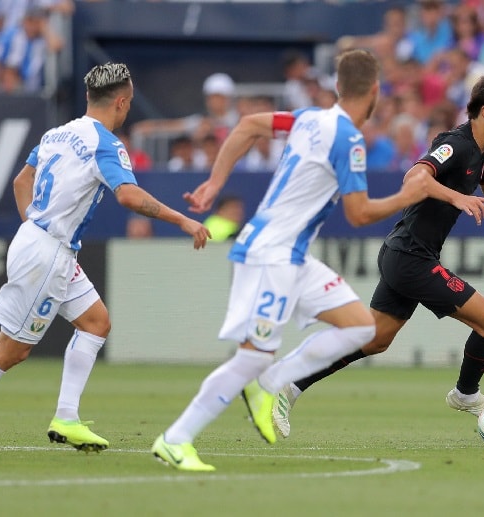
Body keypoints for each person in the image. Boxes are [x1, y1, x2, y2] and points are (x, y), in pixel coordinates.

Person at [150, 49, 430, 472]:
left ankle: (271, 383)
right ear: (374, 92)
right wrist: (408, 196)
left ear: (337, 87)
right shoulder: (348, 139)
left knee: (360, 326)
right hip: (271, 254)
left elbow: (247, 126)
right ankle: (176, 438)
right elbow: (358, 214)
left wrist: (214, 182)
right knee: (252, 356)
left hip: (292, 256)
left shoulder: (309, 118)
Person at [271, 72, 484, 440]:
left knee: (374, 340)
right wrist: (458, 197)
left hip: (404, 255)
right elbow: (414, 178)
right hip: (411, 258)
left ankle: (289, 384)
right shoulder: (456, 144)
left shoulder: (480, 153)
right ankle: (465, 395)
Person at [0, 62, 210, 453]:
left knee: (96, 322)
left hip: (46, 244)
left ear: (88, 97)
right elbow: (129, 196)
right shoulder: (107, 144)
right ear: (121, 102)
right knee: (11, 351)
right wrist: (182, 220)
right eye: (129, 105)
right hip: (47, 251)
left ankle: (66, 417)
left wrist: (35, 227)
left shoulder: (56, 134)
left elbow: (21, 182)